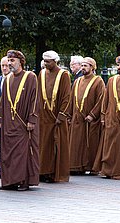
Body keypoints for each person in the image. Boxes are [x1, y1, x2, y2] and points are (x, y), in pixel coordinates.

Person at [0, 50, 40, 191]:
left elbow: (35, 99)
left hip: (23, 123)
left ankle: (23, 181)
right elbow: (3, 101)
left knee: (22, 154)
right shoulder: (7, 78)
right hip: (9, 123)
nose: (9, 64)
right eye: (8, 61)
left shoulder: (30, 77)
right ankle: (9, 181)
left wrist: (32, 119)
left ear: (21, 61)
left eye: (12, 61)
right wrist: (0, 119)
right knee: (8, 153)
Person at [66, 57, 105, 174]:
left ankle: (91, 167)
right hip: (77, 118)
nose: (83, 68)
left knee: (90, 144)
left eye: (85, 66)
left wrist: (93, 115)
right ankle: (76, 167)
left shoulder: (98, 81)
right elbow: (71, 100)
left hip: (90, 120)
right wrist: (69, 115)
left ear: (92, 68)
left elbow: (101, 100)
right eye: (82, 65)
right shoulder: (77, 81)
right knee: (76, 143)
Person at [38, 51, 71, 182]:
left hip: (57, 117)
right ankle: (42, 171)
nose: (46, 64)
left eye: (48, 62)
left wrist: (62, 115)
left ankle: (53, 173)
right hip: (43, 117)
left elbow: (66, 96)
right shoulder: (41, 74)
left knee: (56, 144)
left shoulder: (64, 75)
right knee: (43, 145)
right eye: (45, 61)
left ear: (55, 61)